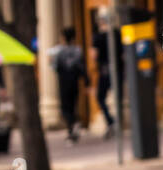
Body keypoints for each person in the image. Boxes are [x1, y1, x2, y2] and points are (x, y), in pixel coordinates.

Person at [49, 26, 87, 142]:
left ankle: (72, 127)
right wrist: (87, 81)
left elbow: (55, 67)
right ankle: (74, 125)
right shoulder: (77, 50)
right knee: (73, 105)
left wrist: (50, 61)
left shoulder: (59, 52)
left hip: (64, 82)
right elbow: (82, 67)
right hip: (74, 82)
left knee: (65, 108)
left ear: (64, 37)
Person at [91, 10, 118, 138]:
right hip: (119, 69)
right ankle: (114, 121)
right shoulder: (117, 34)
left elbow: (93, 55)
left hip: (105, 70)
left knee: (100, 96)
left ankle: (111, 121)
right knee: (118, 96)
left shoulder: (98, 37)